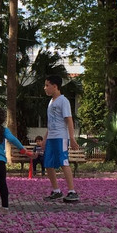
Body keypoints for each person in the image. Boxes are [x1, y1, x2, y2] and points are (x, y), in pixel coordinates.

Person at [42, 75, 79, 203]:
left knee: (64, 162)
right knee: (48, 164)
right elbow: (50, 123)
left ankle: (72, 191)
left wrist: (72, 138)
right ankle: (56, 191)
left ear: (55, 86)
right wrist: (45, 139)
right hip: (51, 137)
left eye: (47, 85)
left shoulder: (63, 101)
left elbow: (69, 120)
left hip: (61, 137)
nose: (45, 88)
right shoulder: (51, 102)